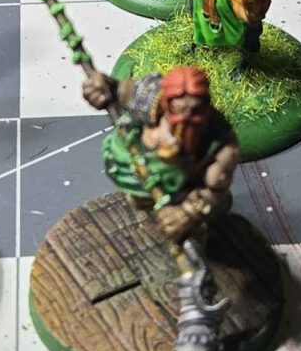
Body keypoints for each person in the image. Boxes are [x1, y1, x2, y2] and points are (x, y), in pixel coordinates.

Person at [79, 63, 242, 249]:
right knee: (140, 205)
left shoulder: (220, 140)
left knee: (194, 230)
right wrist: (102, 86)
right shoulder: (148, 94)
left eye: (195, 111)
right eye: (179, 109)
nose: (186, 118)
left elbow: (215, 191)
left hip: (187, 190)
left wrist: (188, 212)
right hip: (140, 177)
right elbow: (116, 89)